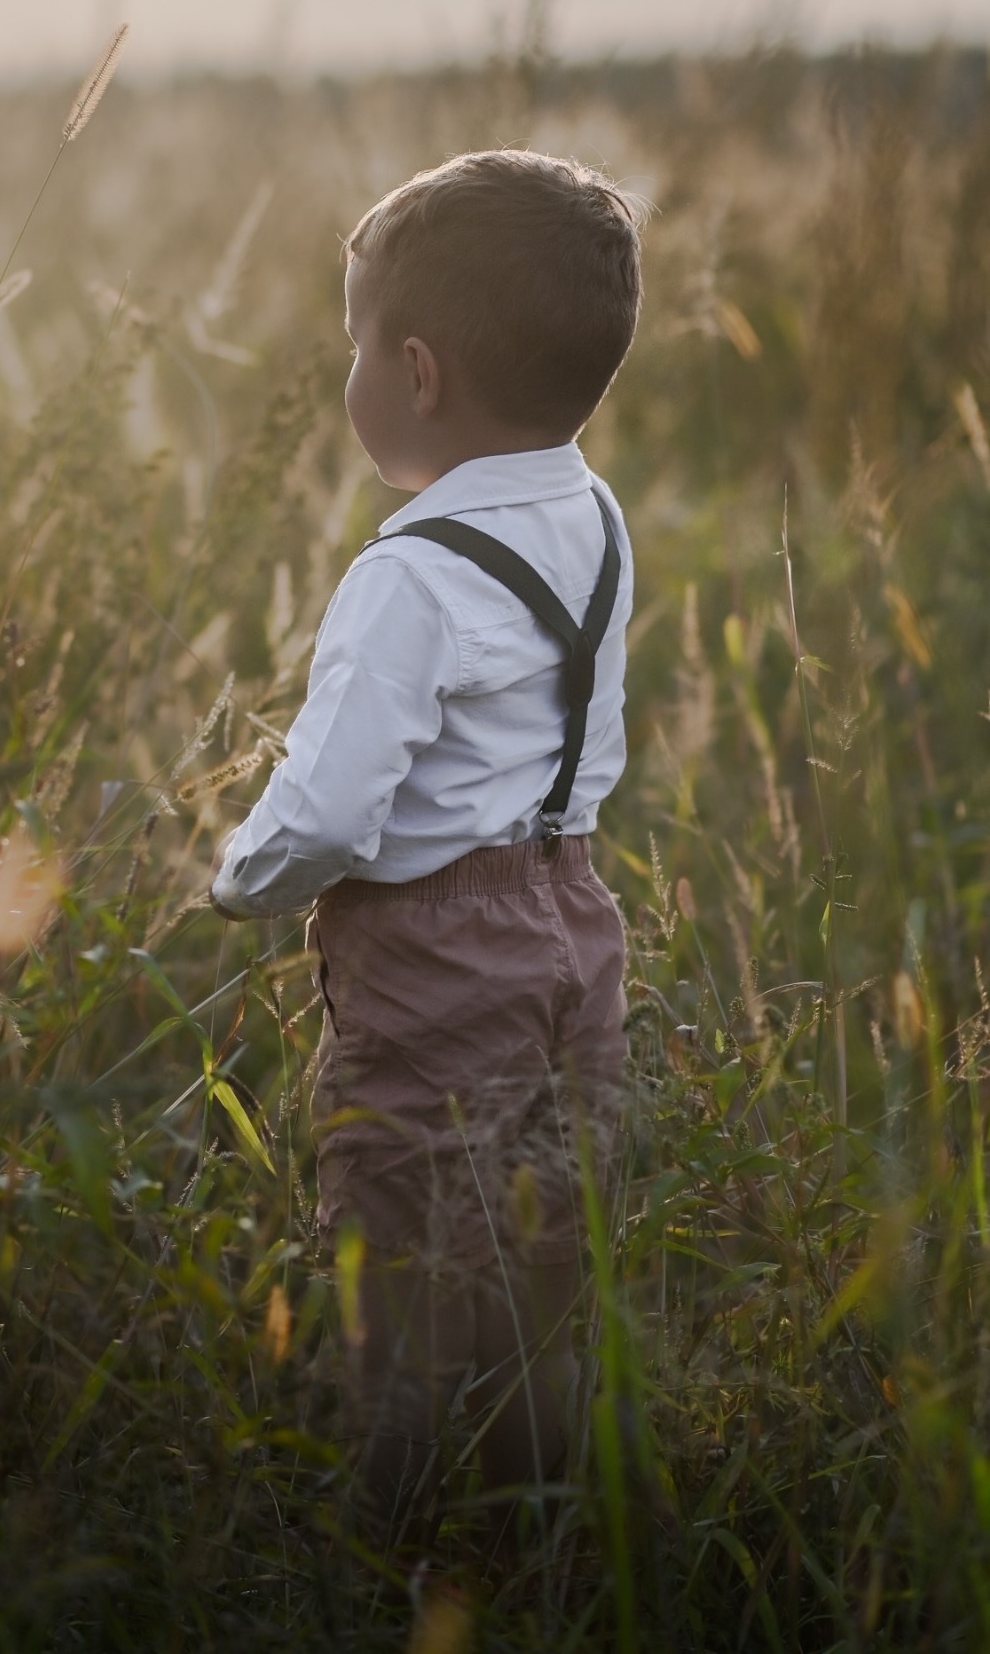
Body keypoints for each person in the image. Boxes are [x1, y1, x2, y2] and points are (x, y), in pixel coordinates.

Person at [210, 148, 642, 1531]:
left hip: (435, 950)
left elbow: (332, 809)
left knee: (390, 1257)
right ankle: (544, 1518)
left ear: (415, 371)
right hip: (573, 920)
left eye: (351, 349)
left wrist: (239, 878)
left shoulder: (408, 575)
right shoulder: (592, 513)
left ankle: (375, 1545)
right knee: (539, 1252)